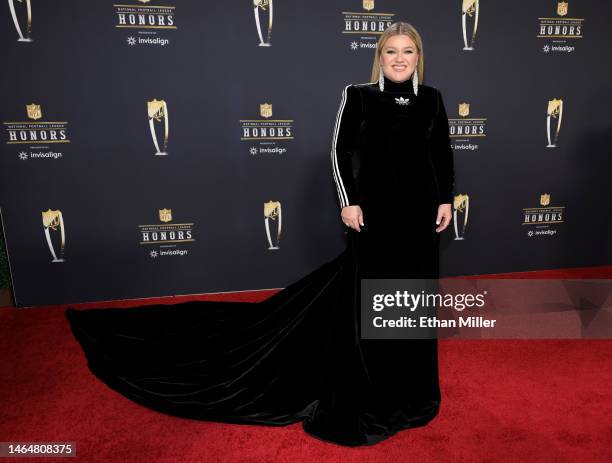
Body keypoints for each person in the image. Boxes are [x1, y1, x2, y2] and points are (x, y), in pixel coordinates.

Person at [65, 21, 455, 447]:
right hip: (374, 217)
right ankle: (372, 383)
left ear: (419, 57)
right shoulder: (358, 96)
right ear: (379, 57)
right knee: (371, 294)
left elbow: (441, 154)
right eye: (391, 51)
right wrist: (348, 201)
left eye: (408, 51)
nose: (400, 59)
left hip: (419, 218)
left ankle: (410, 387)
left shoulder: (432, 100)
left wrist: (445, 200)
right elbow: (340, 151)